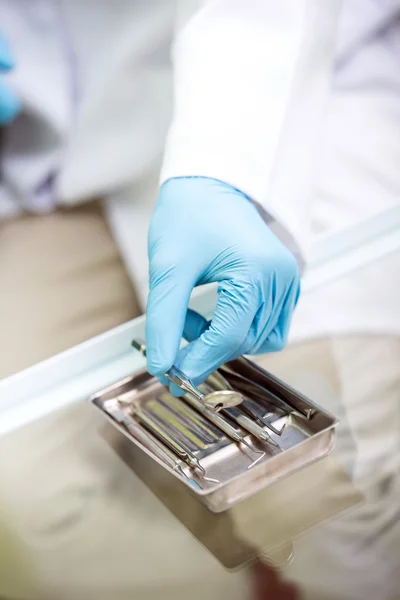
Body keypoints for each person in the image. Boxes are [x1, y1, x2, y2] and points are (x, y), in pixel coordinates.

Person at [0, 1, 399, 599]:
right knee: (34, 492)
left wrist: (223, 173)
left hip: (283, 95)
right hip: (53, 156)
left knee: (320, 496)